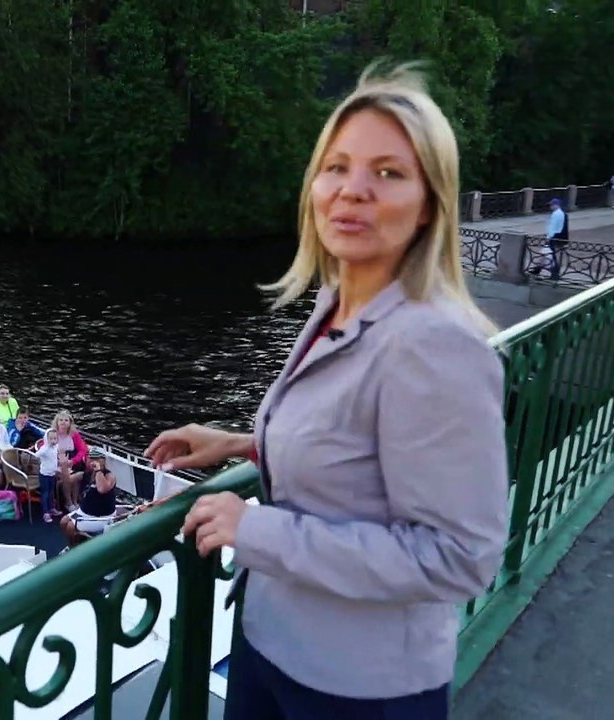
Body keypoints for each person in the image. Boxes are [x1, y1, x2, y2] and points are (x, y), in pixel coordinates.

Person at [145, 61, 509, 719]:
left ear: (431, 203)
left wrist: (256, 530)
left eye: (388, 173)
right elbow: (355, 450)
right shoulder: (341, 301)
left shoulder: (436, 344)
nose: (353, 190)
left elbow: (462, 557)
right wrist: (238, 443)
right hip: (272, 646)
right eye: (336, 167)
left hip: (360, 687)